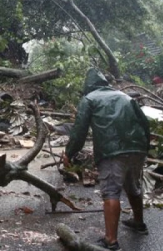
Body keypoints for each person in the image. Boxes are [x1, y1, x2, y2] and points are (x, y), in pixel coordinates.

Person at [63, 69, 151, 250]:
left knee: (111, 192)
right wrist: (144, 148)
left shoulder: (89, 99)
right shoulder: (126, 97)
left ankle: (111, 240)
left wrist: (69, 153)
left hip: (112, 151)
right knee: (133, 186)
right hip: (138, 148)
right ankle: (138, 223)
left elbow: (79, 131)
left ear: (88, 85)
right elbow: (144, 123)